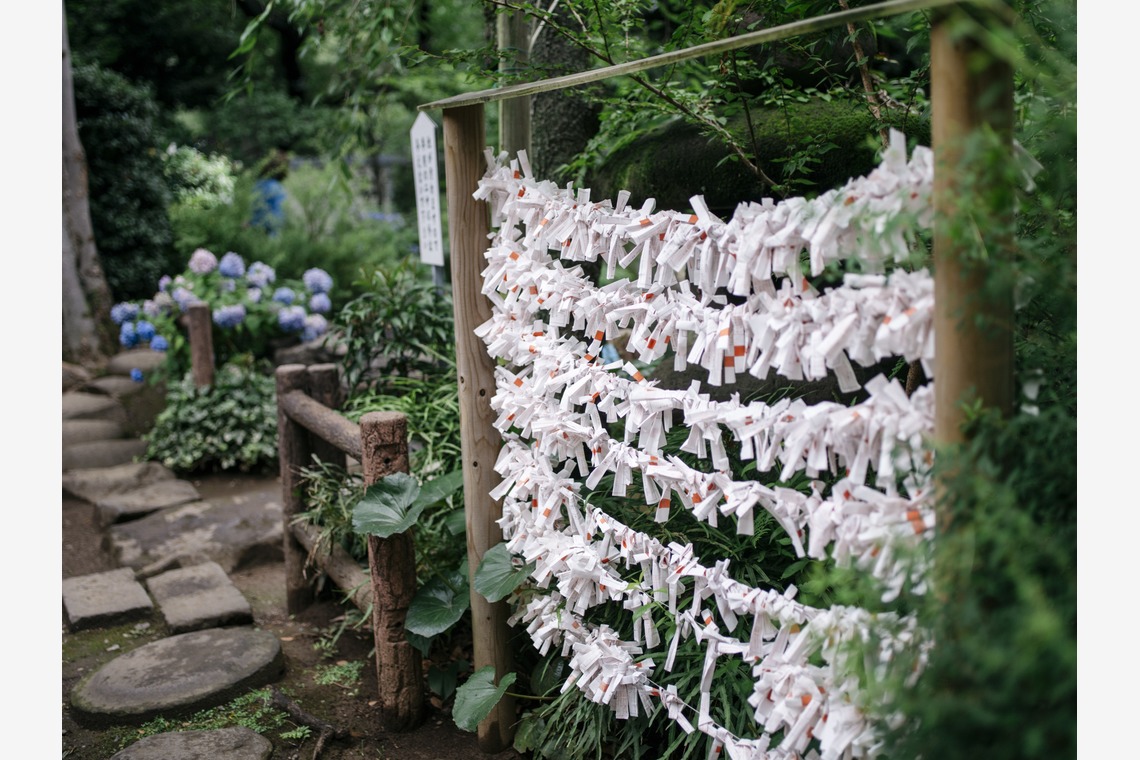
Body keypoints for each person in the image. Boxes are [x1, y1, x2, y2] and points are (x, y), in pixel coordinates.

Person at [251, 149, 289, 235]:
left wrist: (252, 222)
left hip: (262, 226)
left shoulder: (261, 185)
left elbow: (258, 207)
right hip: (272, 226)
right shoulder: (275, 186)